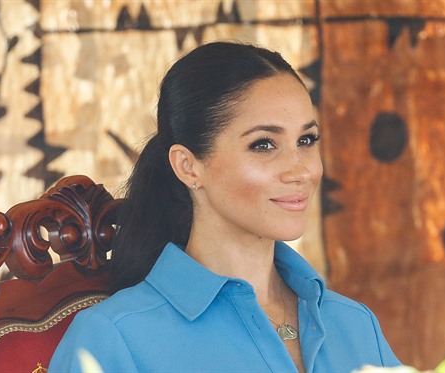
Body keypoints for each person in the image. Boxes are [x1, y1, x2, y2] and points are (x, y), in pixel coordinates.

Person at [49, 41, 401, 373]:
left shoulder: (356, 325)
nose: (302, 170)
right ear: (189, 167)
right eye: (264, 145)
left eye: (306, 140)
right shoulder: (114, 338)